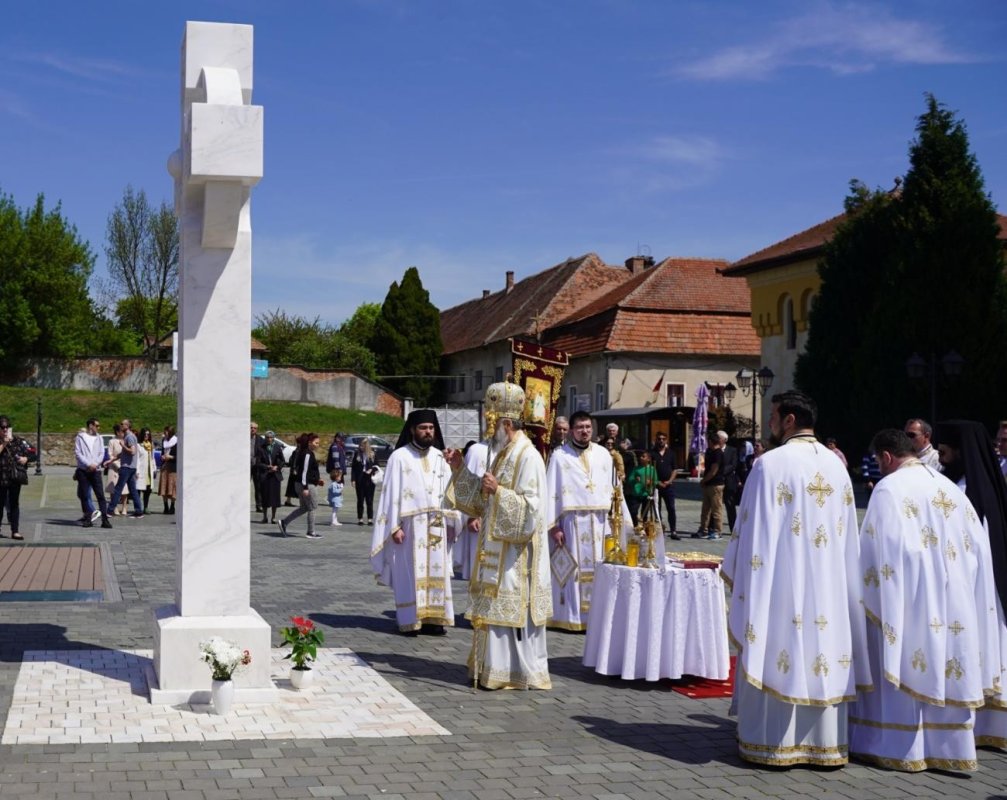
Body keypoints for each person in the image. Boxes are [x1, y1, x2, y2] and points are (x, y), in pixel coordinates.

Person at [722, 390, 870, 767]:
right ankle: (823, 746)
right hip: (828, 587)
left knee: (778, 645)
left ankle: (773, 744)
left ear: (789, 420)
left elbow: (751, 530)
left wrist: (742, 575)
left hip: (781, 583)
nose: (769, 423)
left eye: (772, 416)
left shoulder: (769, 464)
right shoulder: (837, 467)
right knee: (822, 648)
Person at [848, 429, 999, 772]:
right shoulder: (948, 487)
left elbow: (877, 550)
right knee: (948, 658)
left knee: (905, 657)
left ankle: (901, 746)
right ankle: (950, 747)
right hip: (955, 596)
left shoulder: (889, 488)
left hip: (910, 596)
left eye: (877, 461)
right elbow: (977, 546)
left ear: (887, 457)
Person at [445, 380, 552, 689]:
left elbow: (533, 511)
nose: (490, 430)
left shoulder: (528, 456)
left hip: (515, 556)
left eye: (492, 423)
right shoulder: (501, 453)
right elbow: (481, 501)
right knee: (491, 609)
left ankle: (512, 672)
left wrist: (500, 492)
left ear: (506, 423)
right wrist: (459, 469)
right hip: (495, 550)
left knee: (507, 610)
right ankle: (491, 668)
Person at [934, 420, 1007, 750]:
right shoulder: (962, 484)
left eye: (945, 449)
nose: (940, 454)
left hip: (982, 586)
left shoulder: (969, 492)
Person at [369, 410, 458, 635]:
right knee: (410, 572)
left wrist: (452, 518)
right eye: (423, 428)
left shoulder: (440, 457)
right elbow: (390, 495)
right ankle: (411, 619)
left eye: (431, 428)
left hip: (437, 524)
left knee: (436, 572)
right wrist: (394, 526)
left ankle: (434, 619)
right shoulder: (399, 456)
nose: (428, 432)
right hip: (410, 528)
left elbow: (450, 491)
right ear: (412, 430)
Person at [544, 410, 630, 631]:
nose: (584, 431)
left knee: (601, 568)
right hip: (571, 523)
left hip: (601, 523)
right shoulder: (559, 456)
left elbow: (615, 489)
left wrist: (618, 519)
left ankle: (598, 617)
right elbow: (550, 491)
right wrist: (553, 526)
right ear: (572, 430)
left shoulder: (603, 454)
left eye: (588, 427)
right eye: (580, 427)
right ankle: (572, 618)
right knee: (570, 570)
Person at [452, 435, 488, 581]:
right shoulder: (476, 451)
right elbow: (467, 485)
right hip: (479, 517)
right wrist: (471, 516)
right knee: (478, 575)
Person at [279, 433, 325, 539]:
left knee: (304, 508)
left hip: (302, 483)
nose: (317, 445)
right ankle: (311, 532)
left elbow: (308, 472)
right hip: (306, 485)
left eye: (318, 443)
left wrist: (317, 480)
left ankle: (284, 522)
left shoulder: (304, 452)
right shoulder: (307, 454)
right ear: (310, 442)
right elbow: (304, 472)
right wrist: (305, 488)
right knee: (313, 507)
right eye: (316, 442)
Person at [74, 417, 112, 529]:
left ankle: (104, 520)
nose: (98, 427)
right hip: (83, 470)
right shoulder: (80, 437)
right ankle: (87, 519)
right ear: (90, 426)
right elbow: (78, 453)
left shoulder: (99, 438)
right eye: (97, 425)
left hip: (96, 470)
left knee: (100, 495)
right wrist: (88, 464)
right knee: (85, 495)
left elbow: (101, 452)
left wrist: (95, 464)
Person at [0, 416, 31, 540]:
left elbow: (31, 451)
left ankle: (15, 530)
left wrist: (26, 458)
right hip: (1, 478)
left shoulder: (17, 440)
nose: (5, 430)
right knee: (0, 504)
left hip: (14, 477)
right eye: (2, 427)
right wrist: (4, 443)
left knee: (14, 504)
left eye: (7, 427)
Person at [108, 419, 145, 519]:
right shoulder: (127, 436)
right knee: (133, 490)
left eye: (122, 424)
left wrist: (123, 445)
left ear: (127, 426)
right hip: (130, 467)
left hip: (127, 467)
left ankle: (110, 511)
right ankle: (139, 512)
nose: (120, 425)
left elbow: (132, 451)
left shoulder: (129, 436)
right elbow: (123, 453)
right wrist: (111, 460)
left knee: (118, 489)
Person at [650, 431, 680, 539]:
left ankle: (673, 531)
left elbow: (675, 469)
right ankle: (659, 529)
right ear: (656, 440)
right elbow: (649, 469)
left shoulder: (671, 453)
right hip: (656, 485)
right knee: (656, 508)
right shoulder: (651, 453)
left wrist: (670, 480)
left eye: (663, 439)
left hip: (669, 485)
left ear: (666, 440)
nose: (661, 441)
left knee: (671, 508)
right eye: (659, 439)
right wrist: (657, 481)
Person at [697, 431, 725, 540]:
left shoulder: (718, 453)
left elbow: (714, 471)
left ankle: (718, 531)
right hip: (708, 484)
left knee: (716, 509)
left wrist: (704, 480)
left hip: (716, 484)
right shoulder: (710, 452)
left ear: (711, 441)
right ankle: (703, 529)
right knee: (705, 510)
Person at [256, 430, 286, 523]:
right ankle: (265, 517)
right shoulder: (261, 448)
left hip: (275, 475)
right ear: (265, 438)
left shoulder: (277, 447)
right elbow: (258, 462)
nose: (269, 439)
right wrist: (267, 466)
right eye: (267, 437)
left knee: (275, 498)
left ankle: (273, 517)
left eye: (271, 437)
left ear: (273, 438)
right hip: (265, 475)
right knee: (265, 497)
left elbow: (282, 460)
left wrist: (277, 467)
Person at [350, 438, 379, 525]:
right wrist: (353, 479)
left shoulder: (373, 454)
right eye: (360, 445)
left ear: (367, 446)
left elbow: (377, 466)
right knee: (360, 500)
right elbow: (353, 468)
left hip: (370, 480)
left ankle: (370, 519)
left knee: (369, 500)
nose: (360, 447)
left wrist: (371, 470)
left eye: (362, 445)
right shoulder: (357, 454)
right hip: (360, 479)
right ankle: (360, 519)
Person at [626, 450, 657, 527]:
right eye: (641, 456)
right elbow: (629, 479)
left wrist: (651, 482)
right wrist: (635, 479)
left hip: (646, 493)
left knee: (645, 513)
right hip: (636, 493)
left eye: (643, 456)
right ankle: (635, 525)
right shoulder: (636, 469)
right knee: (633, 511)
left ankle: (643, 527)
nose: (641, 458)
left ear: (648, 459)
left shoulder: (652, 469)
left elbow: (656, 481)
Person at [135, 427, 156, 514]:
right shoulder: (139, 445)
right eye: (145, 434)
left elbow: (152, 458)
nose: (146, 436)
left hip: (149, 471)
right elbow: (137, 459)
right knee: (139, 490)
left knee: (148, 490)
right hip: (141, 470)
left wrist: (154, 469)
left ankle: (146, 507)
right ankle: (138, 508)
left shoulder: (150, 445)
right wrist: (137, 471)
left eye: (148, 434)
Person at [105, 423, 125, 515]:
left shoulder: (126, 440)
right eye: (122, 431)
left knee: (125, 488)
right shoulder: (112, 441)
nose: (123, 433)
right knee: (113, 488)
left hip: (125, 466)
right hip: (114, 467)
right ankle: (115, 507)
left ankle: (124, 507)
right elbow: (110, 455)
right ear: (117, 432)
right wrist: (117, 465)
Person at [158, 426, 177, 514]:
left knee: (173, 487)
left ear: (170, 432)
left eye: (166, 432)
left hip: (173, 466)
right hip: (165, 466)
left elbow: (179, 456)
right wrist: (162, 456)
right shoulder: (164, 441)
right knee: (164, 486)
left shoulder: (177, 441)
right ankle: (165, 506)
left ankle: (172, 506)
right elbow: (162, 452)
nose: (164, 433)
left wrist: (171, 457)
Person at [250, 421, 265, 513]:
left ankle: (259, 505)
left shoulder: (260, 440)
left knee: (258, 486)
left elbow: (263, 453)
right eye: (251, 427)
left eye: (255, 428)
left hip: (256, 466)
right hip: (245, 466)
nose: (253, 429)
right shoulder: (242, 438)